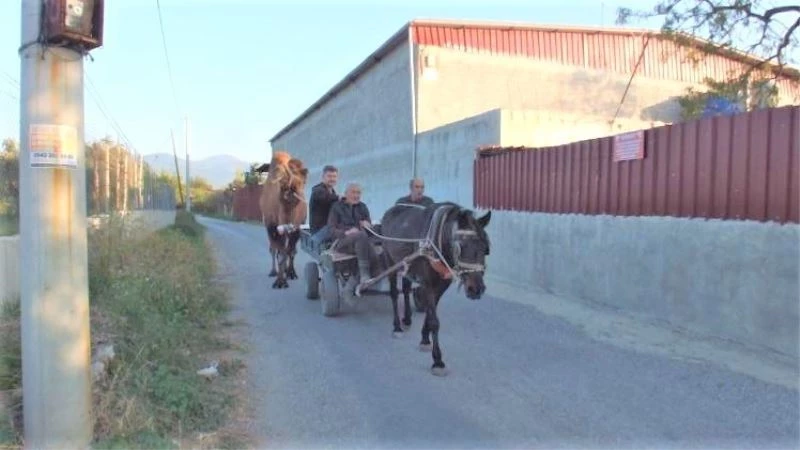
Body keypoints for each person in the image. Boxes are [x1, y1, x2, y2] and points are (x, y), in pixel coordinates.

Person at [327, 182, 377, 290]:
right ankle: (365, 274)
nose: (356, 195)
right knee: (361, 236)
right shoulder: (336, 207)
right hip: (343, 242)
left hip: (361, 243)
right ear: (346, 194)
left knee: (363, 236)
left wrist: (367, 225)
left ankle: (360, 278)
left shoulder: (363, 207)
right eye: (353, 192)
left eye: (358, 193)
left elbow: (369, 226)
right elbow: (331, 229)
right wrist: (346, 232)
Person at [308, 165, 339, 252]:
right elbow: (325, 198)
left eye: (334, 176)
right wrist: (341, 198)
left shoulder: (332, 191)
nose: (332, 179)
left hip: (328, 229)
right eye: (329, 176)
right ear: (323, 177)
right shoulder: (318, 190)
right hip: (319, 232)